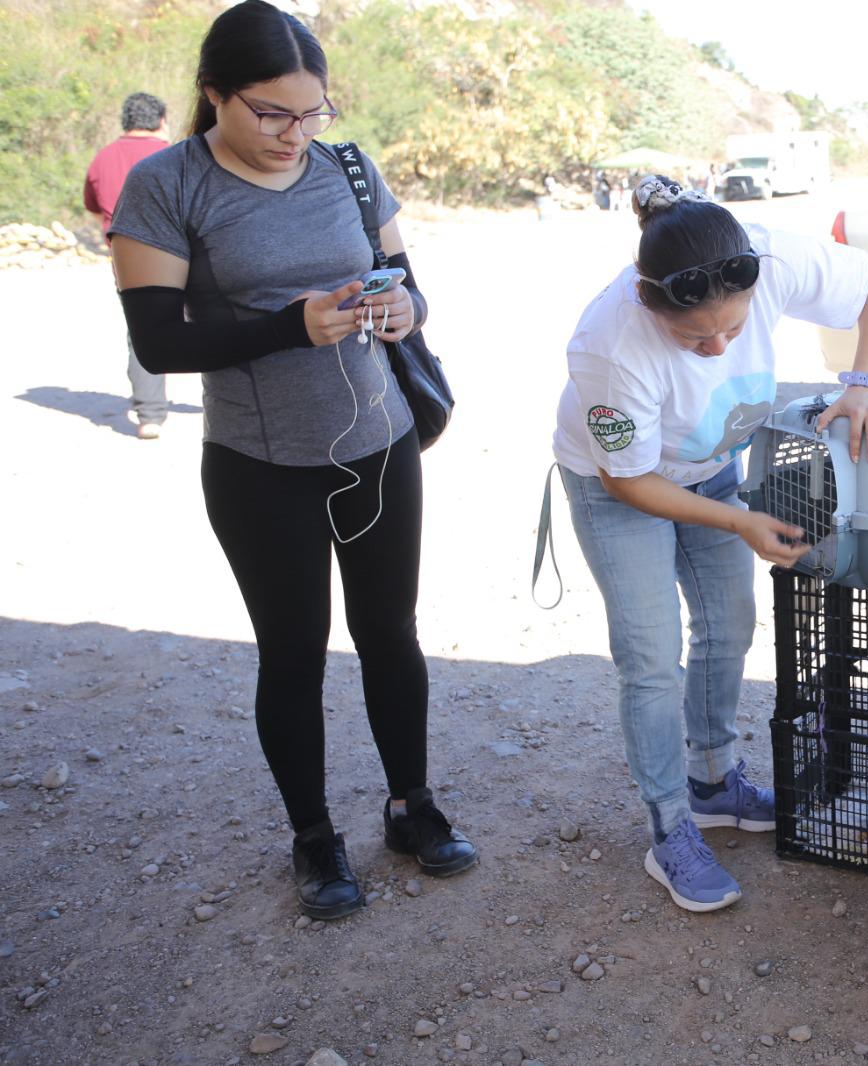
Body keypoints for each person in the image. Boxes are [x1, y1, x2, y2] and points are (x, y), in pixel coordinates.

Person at [109, 0, 476, 920]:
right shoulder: (165, 186)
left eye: (312, 113)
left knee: (391, 633)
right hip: (258, 462)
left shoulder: (348, 169)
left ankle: (412, 805)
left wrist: (405, 313)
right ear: (214, 96)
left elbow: (410, 281)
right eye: (272, 114)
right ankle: (314, 838)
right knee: (293, 652)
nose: (294, 134)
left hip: (378, 441)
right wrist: (290, 326)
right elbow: (156, 342)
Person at [549, 175, 868, 913]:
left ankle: (714, 783)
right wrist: (742, 521)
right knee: (649, 655)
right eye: (692, 338)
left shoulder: (769, 257)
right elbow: (632, 484)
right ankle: (670, 828)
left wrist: (865, 381)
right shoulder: (609, 345)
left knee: (729, 623)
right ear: (649, 303)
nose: (716, 348)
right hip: (622, 486)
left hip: (712, 466)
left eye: (733, 332)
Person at [84, 92, 172, 440]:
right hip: (186, 257)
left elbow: (94, 210)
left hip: (128, 261)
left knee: (142, 333)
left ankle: (150, 416)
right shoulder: (174, 155)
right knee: (220, 320)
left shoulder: (103, 159)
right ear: (162, 119)